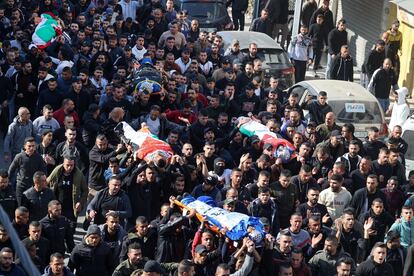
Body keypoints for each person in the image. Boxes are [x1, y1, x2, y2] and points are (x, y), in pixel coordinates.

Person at [47, 155, 88, 228]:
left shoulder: (78, 174)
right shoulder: (58, 171)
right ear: (63, 164)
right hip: (57, 207)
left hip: (71, 209)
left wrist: (80, 202)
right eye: (67, 165)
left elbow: (85, 190)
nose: (69, 167)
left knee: (71, 229)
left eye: (71, 165)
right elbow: (47, 182)